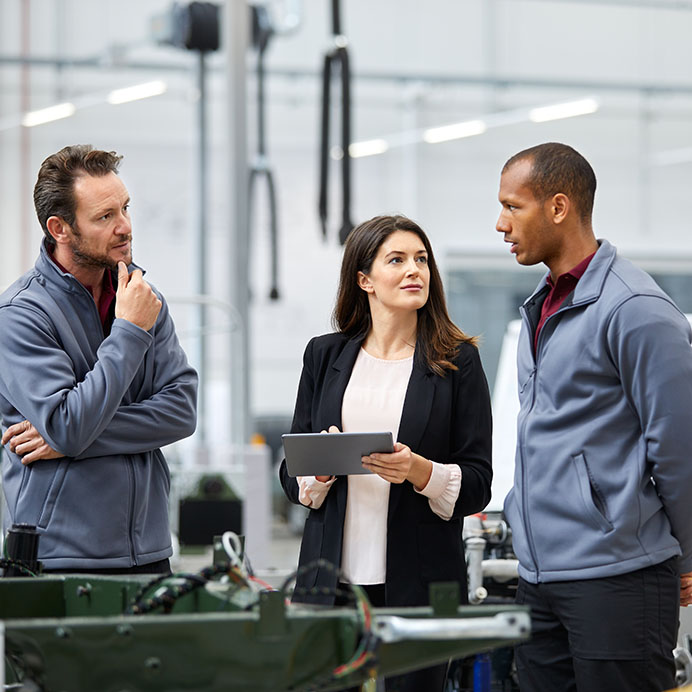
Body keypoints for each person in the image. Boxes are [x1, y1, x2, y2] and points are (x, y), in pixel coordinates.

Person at [496, 141, 692, 692]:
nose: (500, 223)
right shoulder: (543, 304)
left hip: (617, 577)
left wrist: (688, 553)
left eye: (514, 207)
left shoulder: (635, 309)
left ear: (559, 207)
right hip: (541, 575)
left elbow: (678, 443)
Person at [279, 214, 493, 692]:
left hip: (420, 582)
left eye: (421, 259)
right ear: (364, 279)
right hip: (330, 583)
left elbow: (479, 483)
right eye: (396, 260)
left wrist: (419, 471)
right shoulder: (324, 355)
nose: (414, 269)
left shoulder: (458, 361)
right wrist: (323, 469)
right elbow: (291, 475)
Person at [0, 144, 198, 575]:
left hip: (148, 551)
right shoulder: (20, 316)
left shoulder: (142, 298)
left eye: (125, 208)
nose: (125, 227)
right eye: (105, 217)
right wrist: (128, 333)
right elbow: (69, 424)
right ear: (60, 228)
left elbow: (182, 412)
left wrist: (72, 440)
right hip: (58, 557)